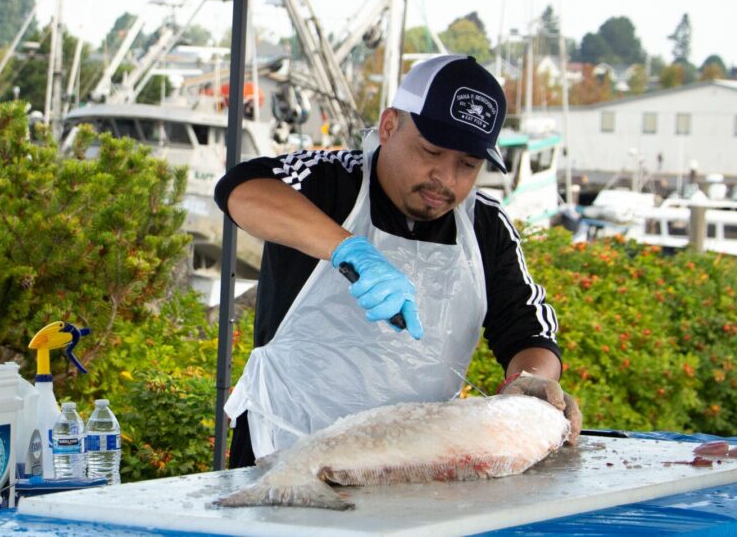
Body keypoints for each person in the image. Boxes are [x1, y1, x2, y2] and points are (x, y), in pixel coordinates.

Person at [215, 54, 581, 468]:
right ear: (389, 126)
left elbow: (528, 329)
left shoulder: (486, 224)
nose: (446, 178)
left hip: (415, 461)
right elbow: (239, 189)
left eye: (467, 164)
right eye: (432, 151)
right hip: (283, 447)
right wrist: (347, 248)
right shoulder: (328, 180)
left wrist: (529, 381)